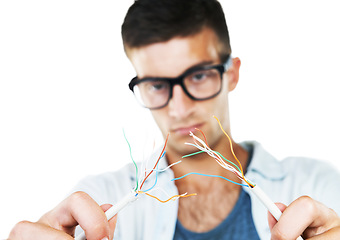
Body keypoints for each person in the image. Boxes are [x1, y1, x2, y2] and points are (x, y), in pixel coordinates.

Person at [8, 0, 340, 239]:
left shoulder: (321, 189)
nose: (179, 108)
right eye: (156, 85)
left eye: (198, 76)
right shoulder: (94, 202)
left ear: (232, 74)